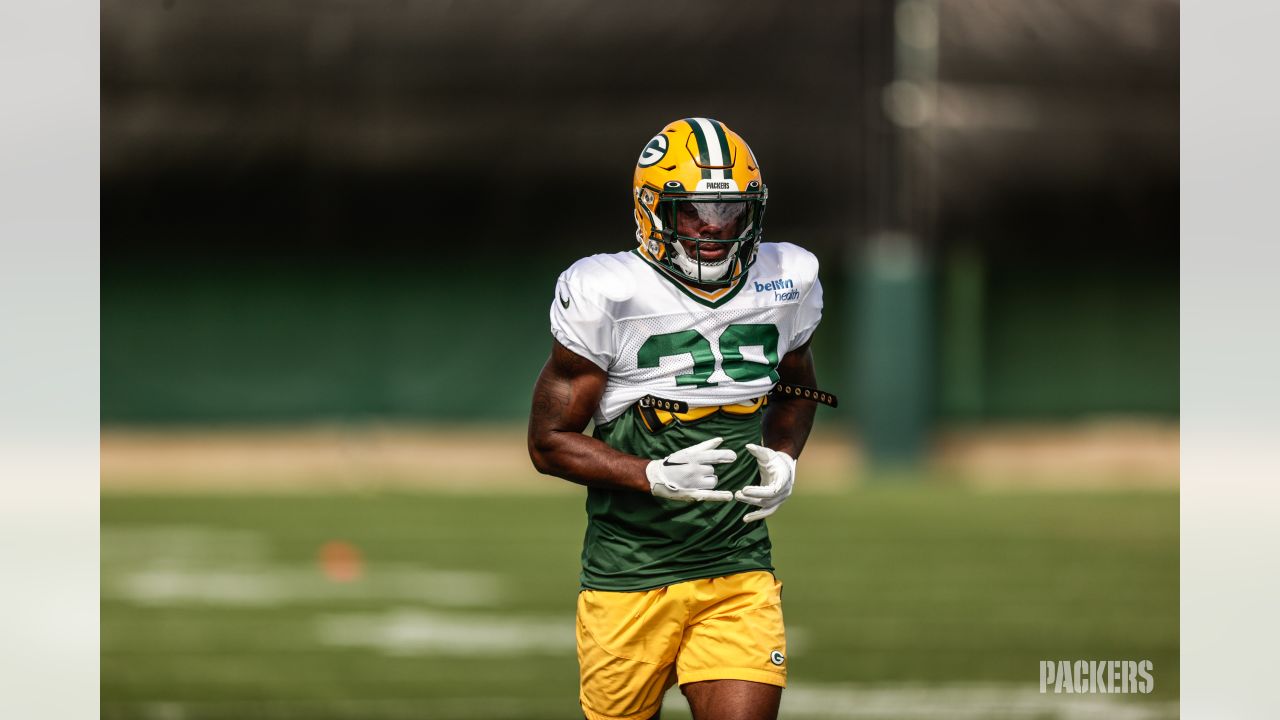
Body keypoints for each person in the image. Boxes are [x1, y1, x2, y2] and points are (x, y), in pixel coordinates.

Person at [527, 117, 827, 720]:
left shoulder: (786, 279)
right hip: (629, 576)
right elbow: (549, 443)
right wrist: (652, 475)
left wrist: (786, 457)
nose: (714, 227)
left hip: (737, 568)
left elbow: (797, 388)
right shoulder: (606, 291)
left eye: (729, 209)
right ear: (653, 210)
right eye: (693, 209)